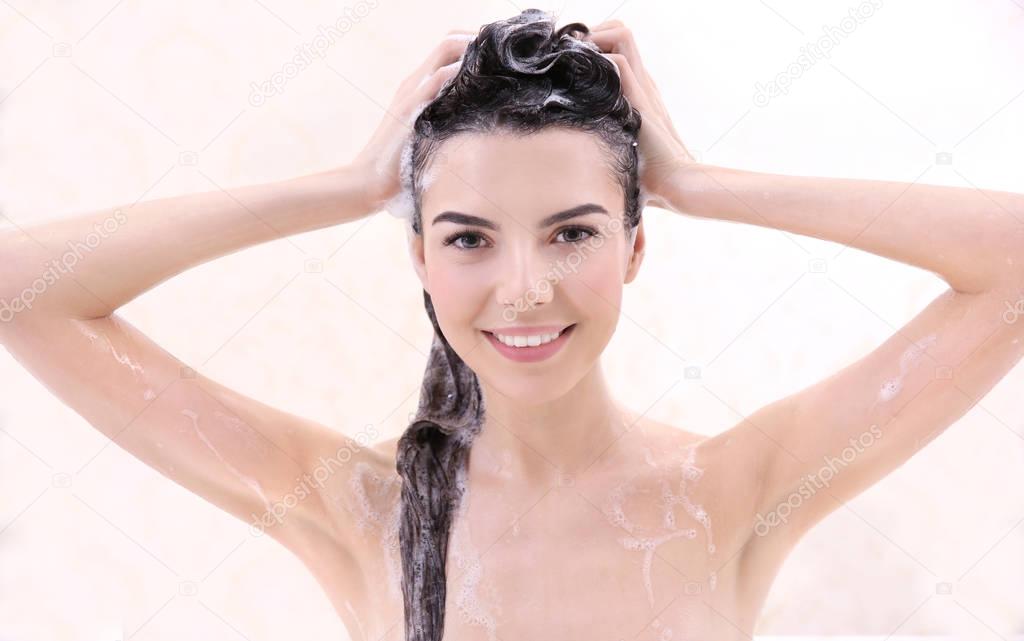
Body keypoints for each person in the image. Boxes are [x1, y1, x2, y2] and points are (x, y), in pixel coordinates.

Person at [2, 8, 1023, 641]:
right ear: (418, 257)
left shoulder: (730, 490)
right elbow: (20, 287)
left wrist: (703, 183)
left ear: (633, 243)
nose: (524, 289)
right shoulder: (359, 509)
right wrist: (349, 185)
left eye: (571, 231)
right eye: (467, 238)